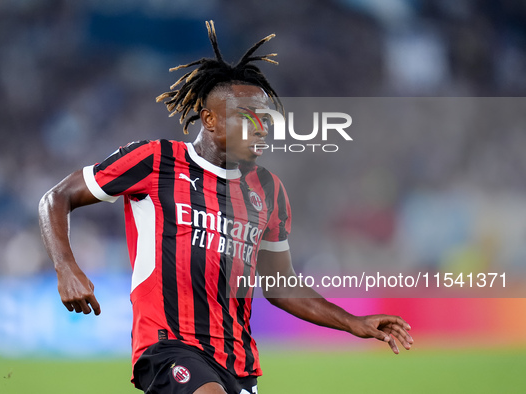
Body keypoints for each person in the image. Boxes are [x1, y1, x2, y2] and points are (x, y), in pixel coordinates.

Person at [38, 21, 413, 394]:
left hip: (236, 360)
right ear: (211, 120)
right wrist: (66, 266)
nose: (262, 128)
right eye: (248, 117)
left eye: (265, 119)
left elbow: (280, 286)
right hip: (169, 344)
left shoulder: (268, 190)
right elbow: (56, 197)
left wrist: (353, 322)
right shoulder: (154, 160)